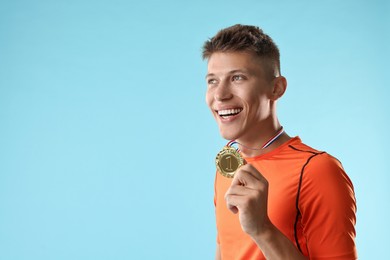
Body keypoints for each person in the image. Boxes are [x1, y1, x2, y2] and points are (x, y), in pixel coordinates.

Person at [202, 24, 357, 260]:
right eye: (212, 80)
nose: (220, 95)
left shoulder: (318, 170)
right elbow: (227, 251)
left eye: (237, 78)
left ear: (276, 88)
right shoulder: (227, 162)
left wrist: (262, 229)